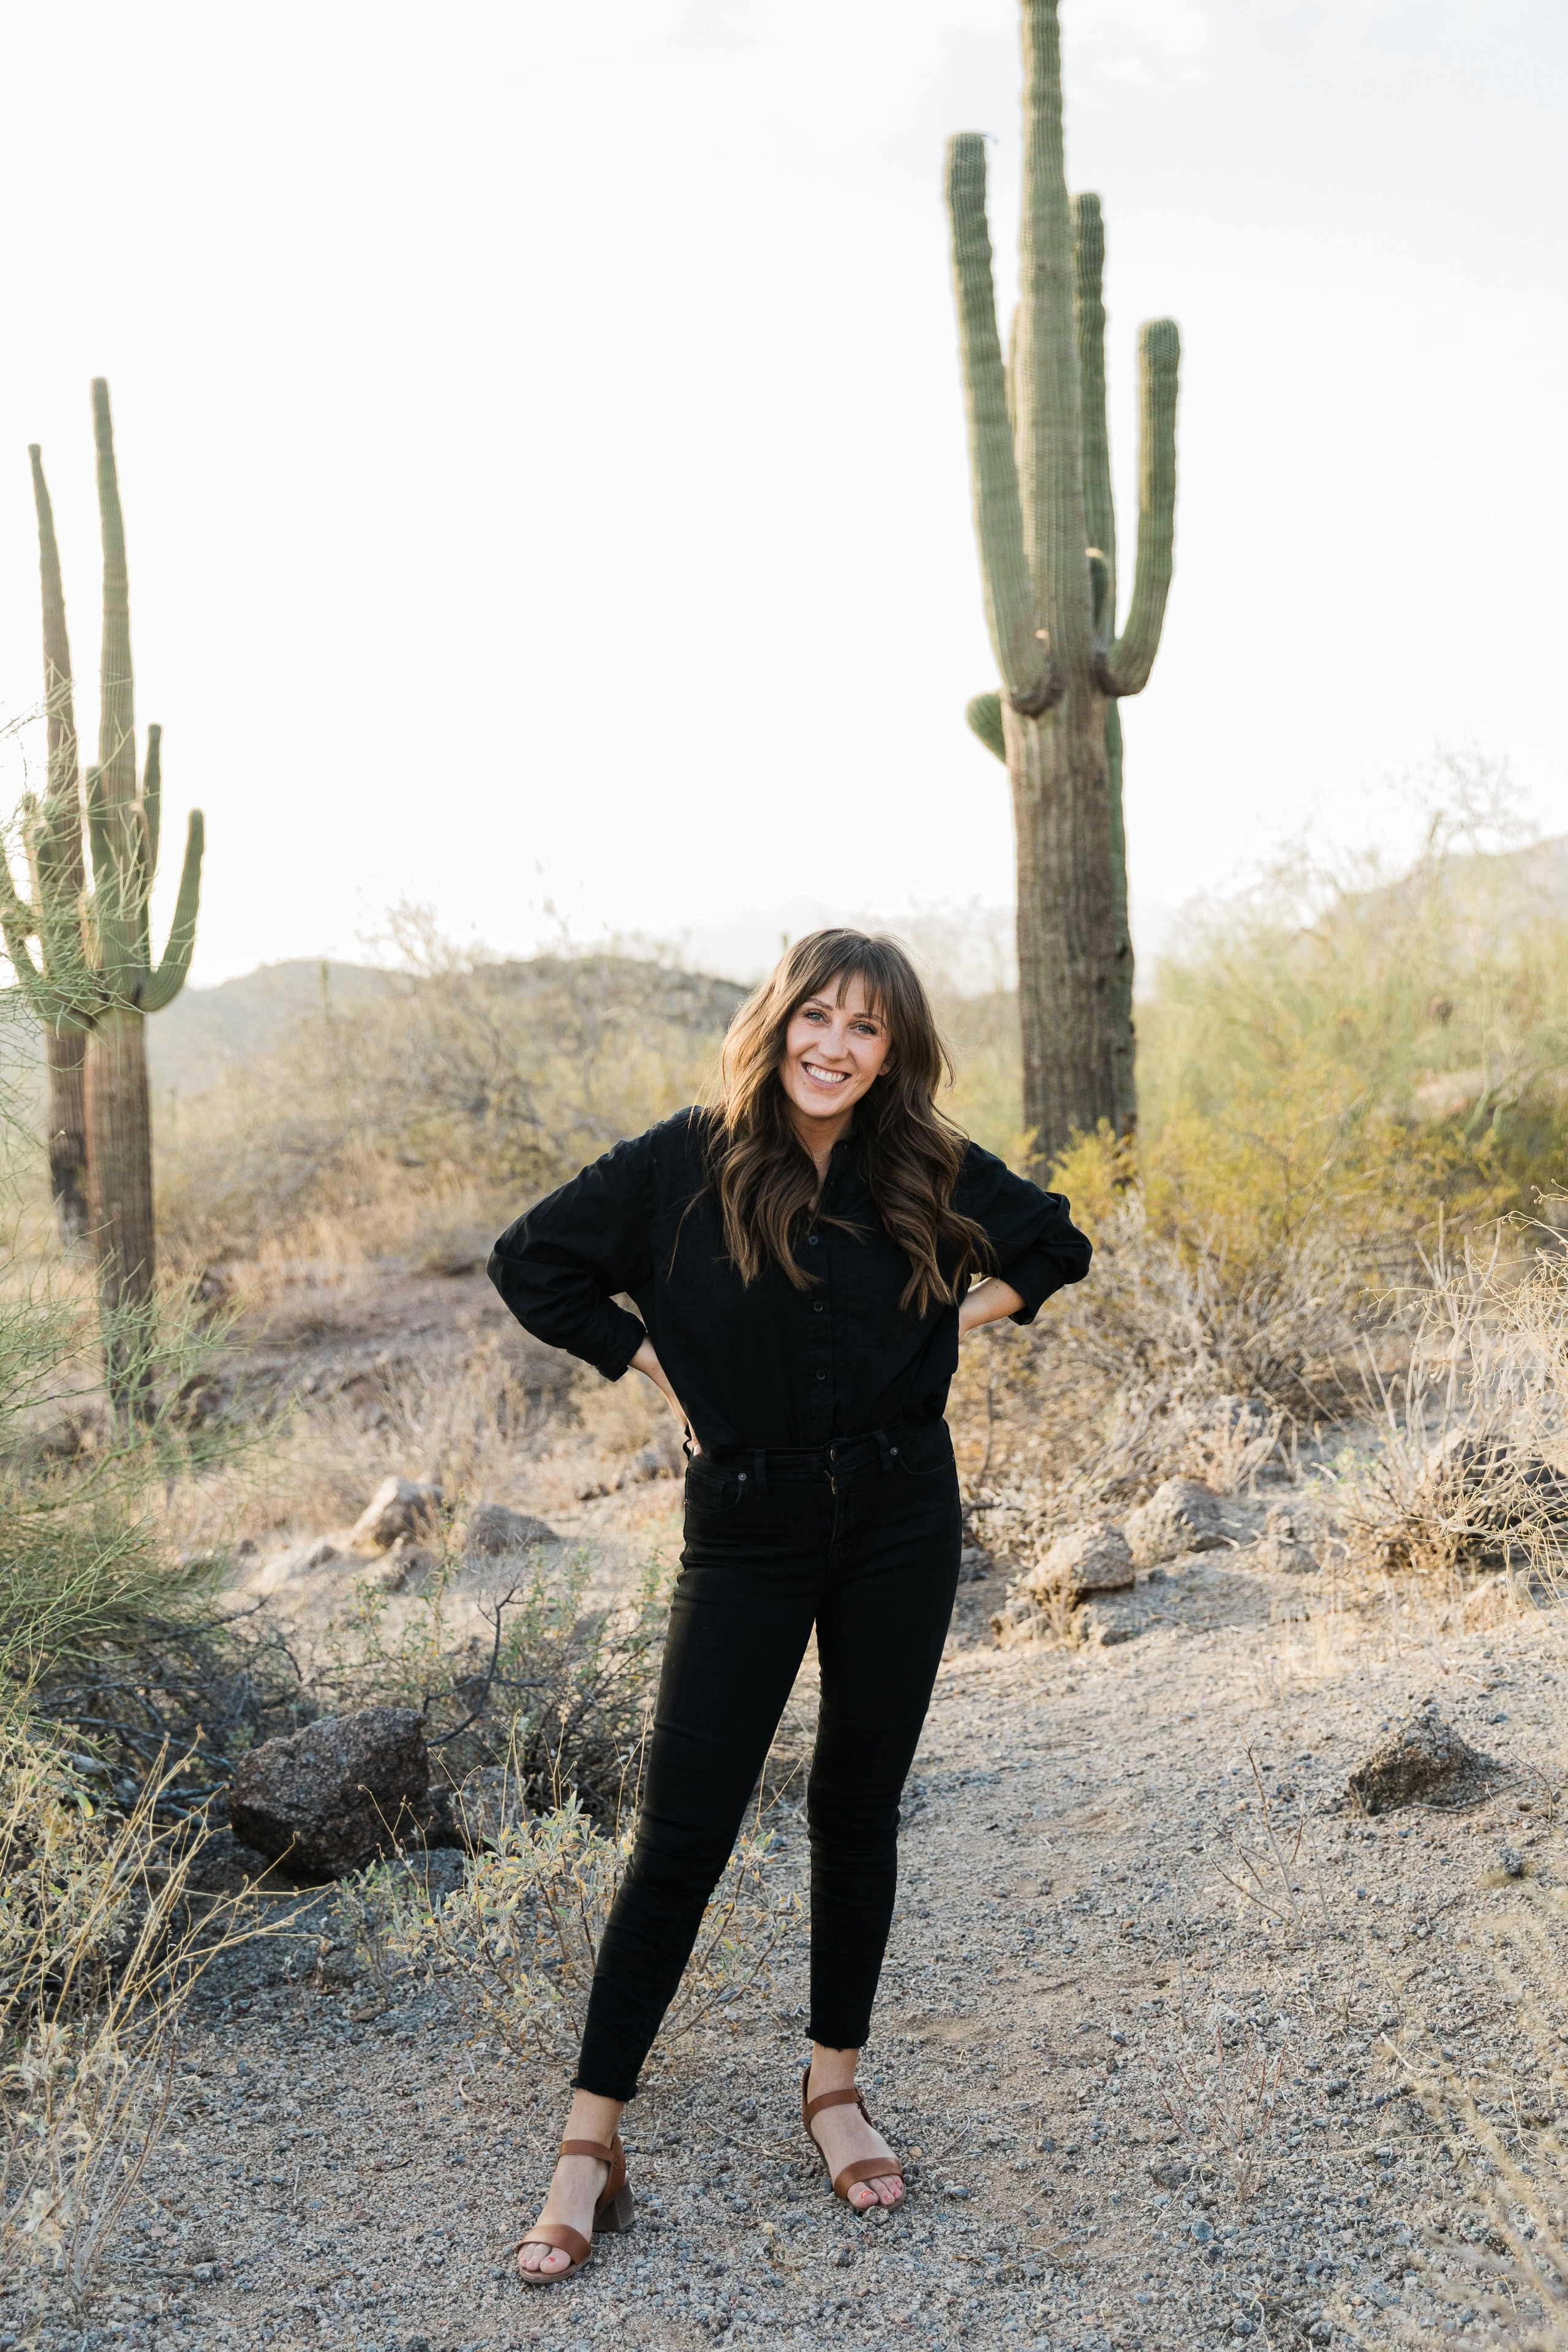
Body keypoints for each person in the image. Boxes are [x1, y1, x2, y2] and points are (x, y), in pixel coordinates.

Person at [488, 928, 1091, 2283]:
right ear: (776, 1024)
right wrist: (656, 1367)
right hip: (748, 1527)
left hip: (898, 1516)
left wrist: (945, 1326)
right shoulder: (679, 1161)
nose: (835, 1046)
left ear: (894, 1050)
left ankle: (833, 2089)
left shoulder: (924, 1164)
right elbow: (532, 1263)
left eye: (866, 1028)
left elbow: (1057, 1247)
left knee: (854, 1804)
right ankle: (589, 2143)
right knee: (682, 1833)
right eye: (815, 1017)